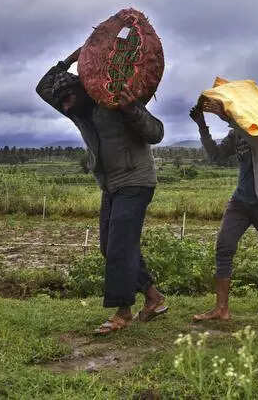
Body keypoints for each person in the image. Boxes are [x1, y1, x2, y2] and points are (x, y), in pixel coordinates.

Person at [36, 47, 167, 334]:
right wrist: (70, 60)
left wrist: (133, 109)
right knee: (109, 247)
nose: (65, 106)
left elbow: (157, 133)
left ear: (84, 91)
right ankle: (154, 298)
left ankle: (123, 313)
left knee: (119, 246)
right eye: (62, 103)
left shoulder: (115, 101)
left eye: (69, 98)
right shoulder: (76, 111)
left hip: (136, 181)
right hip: (110, 187)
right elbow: (43, 87)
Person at [189, 98, 258, 320]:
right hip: (241, 200)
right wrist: (202, 125)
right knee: (224, 246)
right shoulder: (237, 134)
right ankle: (221, 308)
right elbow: (216, 155)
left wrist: (228, 118)